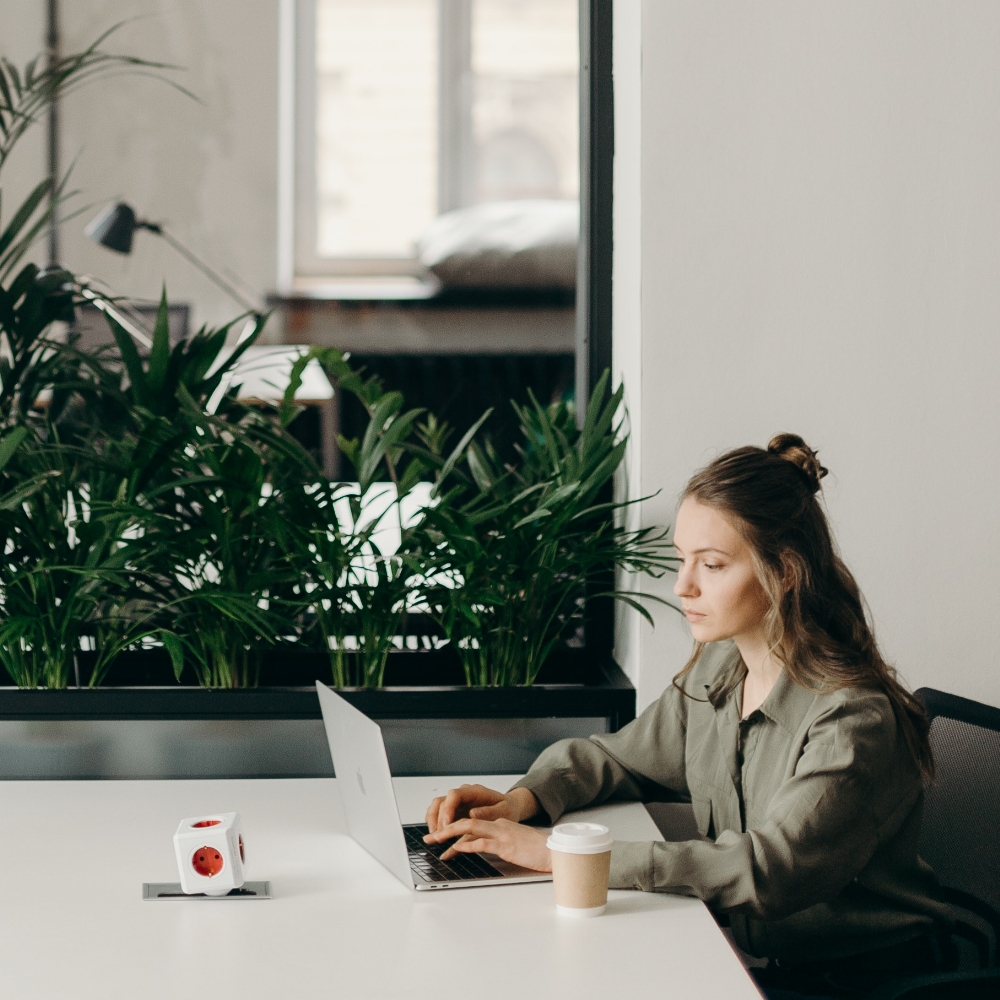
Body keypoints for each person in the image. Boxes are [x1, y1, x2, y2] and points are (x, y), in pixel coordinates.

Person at [424, 434, 954, 998]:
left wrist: (562, 855)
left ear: (786, 573)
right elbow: (615, 756)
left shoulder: (852, 719)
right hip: (763, 963)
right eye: (682, 560)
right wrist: (523, 801)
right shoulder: (720, 668)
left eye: (713, 564)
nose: (684, 586)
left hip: (870, 982)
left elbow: (768, 872)